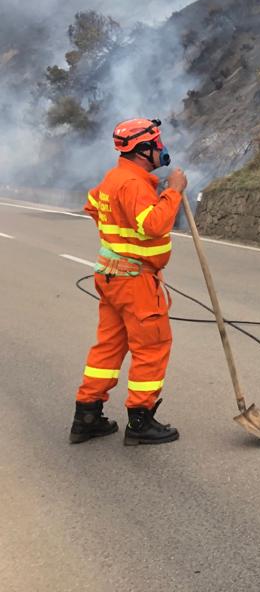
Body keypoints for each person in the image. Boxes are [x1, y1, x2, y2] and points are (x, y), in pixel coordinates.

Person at [70, 118, 186, 446]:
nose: (161, 149)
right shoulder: (134, 184)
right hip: (135, 281)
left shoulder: (114, 178)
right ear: (142, 149)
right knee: (152, 346)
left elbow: (92, 206)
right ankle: (140, 420)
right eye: (157, 143)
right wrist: (174, 191)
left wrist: (117, 237)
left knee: (109, 345)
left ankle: (87, 415)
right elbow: (154, 225)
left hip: (111, 277)